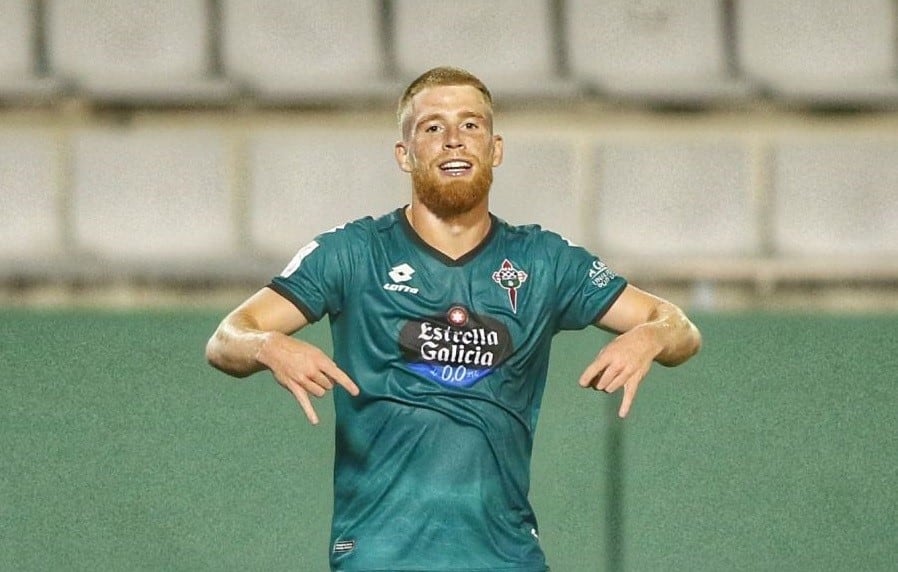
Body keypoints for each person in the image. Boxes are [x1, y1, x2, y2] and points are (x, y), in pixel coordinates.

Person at [206, 66, 702, 572]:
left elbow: (679, 327)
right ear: (406, 154)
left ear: (495, 149)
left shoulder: (544, 261)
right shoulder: (351, 254)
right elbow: (228, 337)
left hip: (506, 557)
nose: (453, 141)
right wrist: (269, 347)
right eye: (433, 127)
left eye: (470, 126)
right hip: (379, 557)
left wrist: (650, 337)